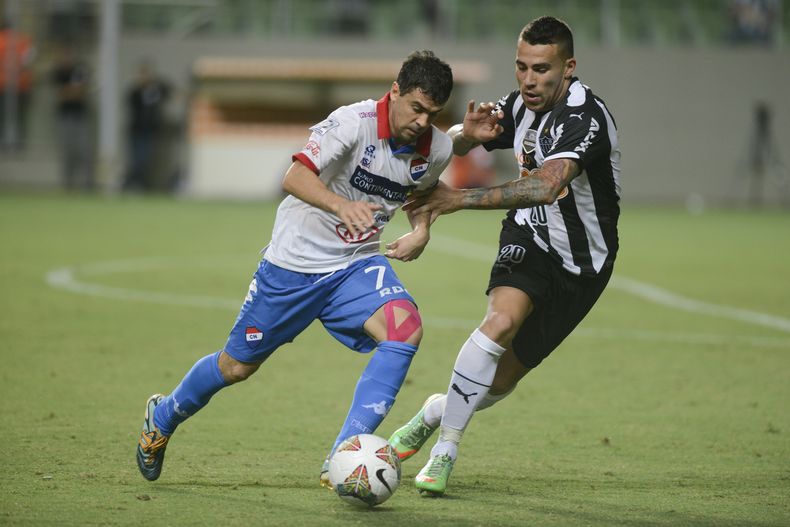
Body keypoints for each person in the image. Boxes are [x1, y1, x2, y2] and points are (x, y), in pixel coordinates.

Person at [136, 50, 455, 486]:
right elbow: (294, 177)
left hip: (356, 263)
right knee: (236, 367)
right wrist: (341, 205)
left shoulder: (437, 147)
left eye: (432, 114)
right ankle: (163, 416)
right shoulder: (351, 122)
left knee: (405, 329)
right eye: (416, 108)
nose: (422, 121)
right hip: (293, 265)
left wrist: (421, 231)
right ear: (395, 91)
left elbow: (421, 195)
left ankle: (343, 456)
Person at [388, 16, 621, 496]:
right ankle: (445, 451)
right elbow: (456, 142)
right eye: (521, 67)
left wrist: (457, 199)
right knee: (499, 321)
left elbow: (546, 185)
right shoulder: (518, 105)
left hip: (584, 265)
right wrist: (466, 135)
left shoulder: (585, 118)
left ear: (568, 67)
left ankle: (434, 412)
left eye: (541, 69)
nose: (529, 80)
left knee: (498, 384)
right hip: (529, 235)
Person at [122, 60, 172, 192]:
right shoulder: (135, 92)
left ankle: (142, 185)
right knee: (138, 159)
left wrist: (155, 84)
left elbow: (167, 90)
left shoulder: (155, 90)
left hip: (151, 131)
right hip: (137, 130)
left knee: (148, 160)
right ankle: (132, 184)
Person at [51, 42, 93, 190]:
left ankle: (87, 184)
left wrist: (70, 91)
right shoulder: (58, 72)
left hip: (81, 115)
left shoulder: (81, 69)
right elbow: (60, 94)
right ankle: (68, 184)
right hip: (64, 116)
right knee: (67, 151)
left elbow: (83, 91)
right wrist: (72, 91)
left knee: (85, 150)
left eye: (69, 54)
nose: (67, 57)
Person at [0, 20, 35, 151]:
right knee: (20, 116)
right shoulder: (24, 41)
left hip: (2, 85)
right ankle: (19, 143)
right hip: (21, 84)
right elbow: (28, 61)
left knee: (2, 116)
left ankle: (3, 142)